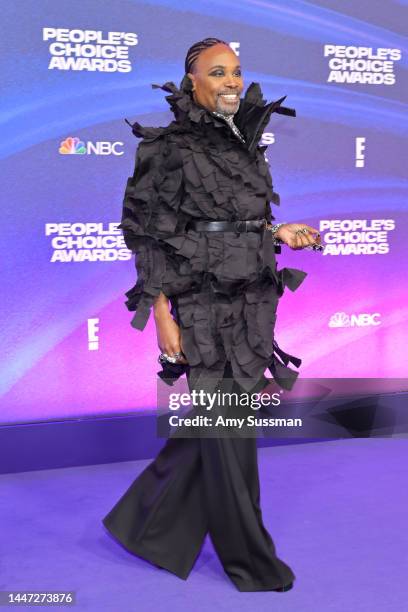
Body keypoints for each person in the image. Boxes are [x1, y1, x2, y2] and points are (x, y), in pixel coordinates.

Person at [102, 37, 321, 593]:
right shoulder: (167, 148)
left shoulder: (245, 144)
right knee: (229, 431)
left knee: (226, 424)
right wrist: (161, 315)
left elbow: (236, 217)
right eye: (217, 72)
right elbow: (148, 236)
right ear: (191, 83)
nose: (230, 82)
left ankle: (144, 526)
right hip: (200, 302)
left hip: (252, 298)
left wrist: (280, 231)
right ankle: (250, 560)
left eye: (237, 72)